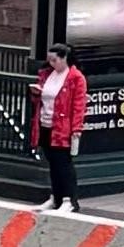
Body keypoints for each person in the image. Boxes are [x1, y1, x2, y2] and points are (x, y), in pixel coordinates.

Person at [28, 41, 89, 209]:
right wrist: (36, 94)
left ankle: (69, 200)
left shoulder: (76, 78)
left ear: (64, 59)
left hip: (62, 127)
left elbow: (78, 105)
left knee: (63, 163)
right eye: (50, 60)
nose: (52, 63)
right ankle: (55, 197)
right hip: (46, 124)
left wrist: (76, 128)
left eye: (55, 60)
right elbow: (42, 99)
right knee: (53, 163)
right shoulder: (47, 74)